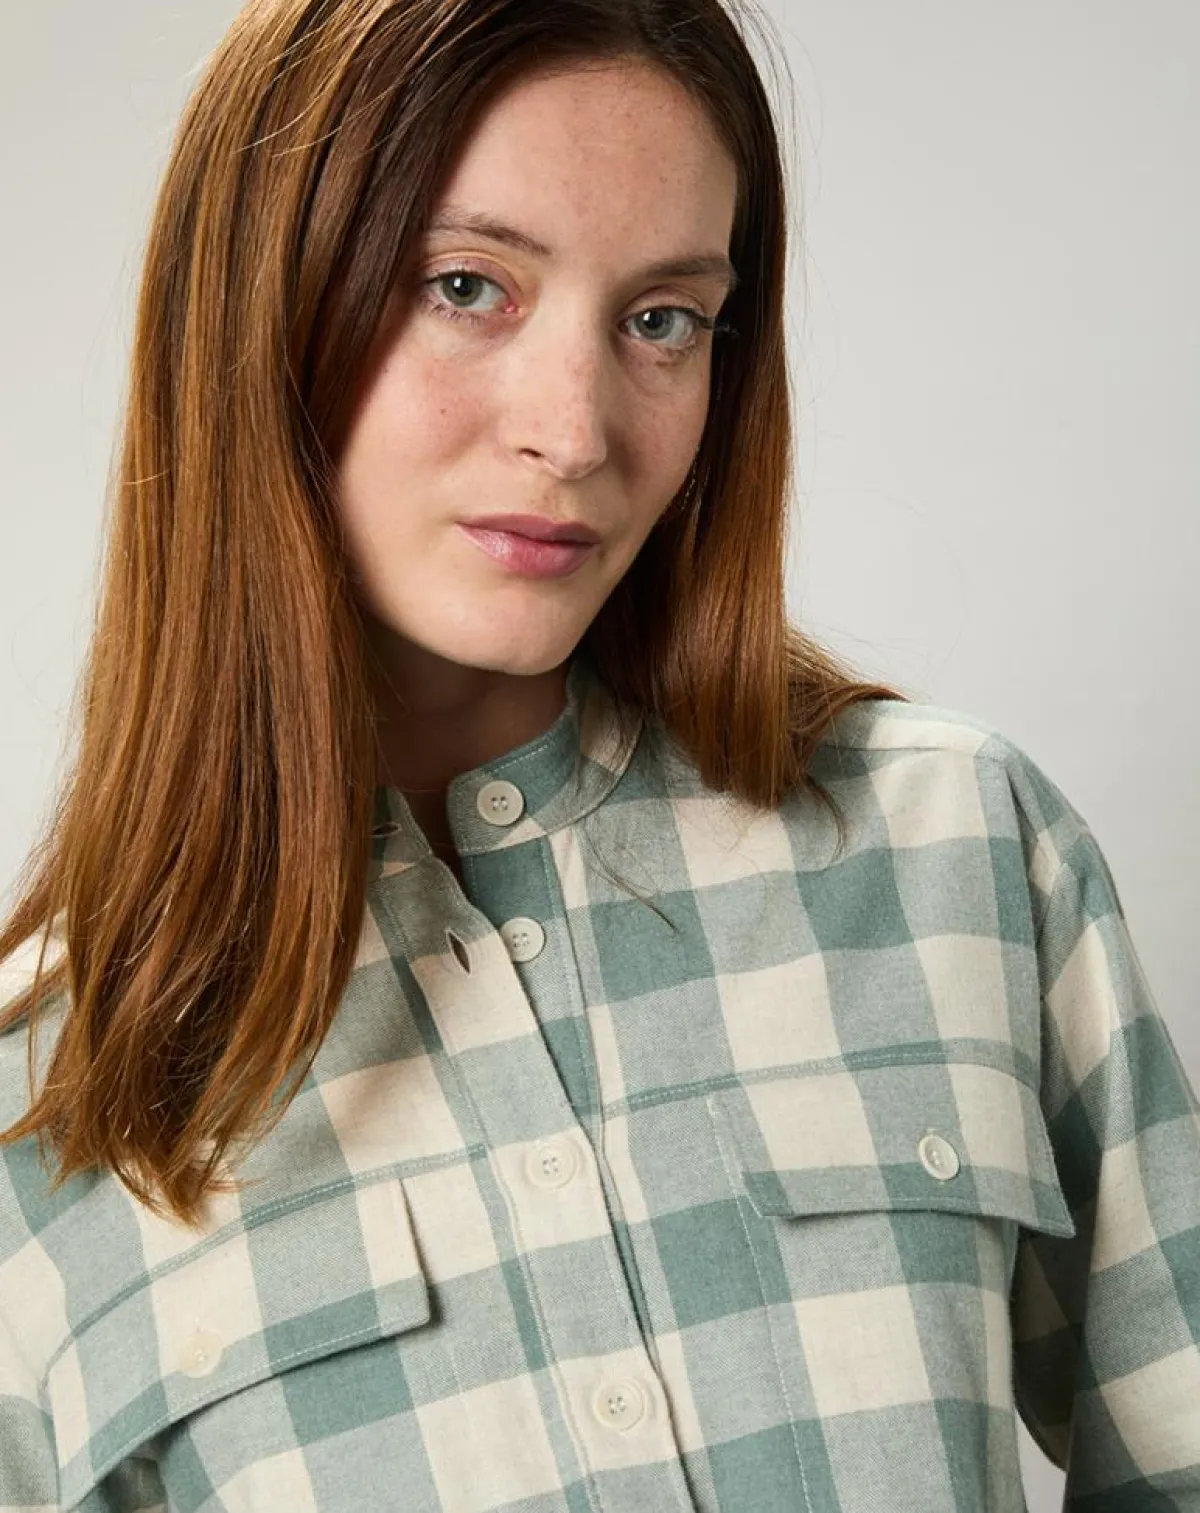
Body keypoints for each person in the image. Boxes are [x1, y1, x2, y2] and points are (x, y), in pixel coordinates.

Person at [1, 0, 1197, 1508]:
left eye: (663, 320)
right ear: (258, 313)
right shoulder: (44, 1104)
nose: (574, 434)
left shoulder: (959, 846)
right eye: (464, 286)